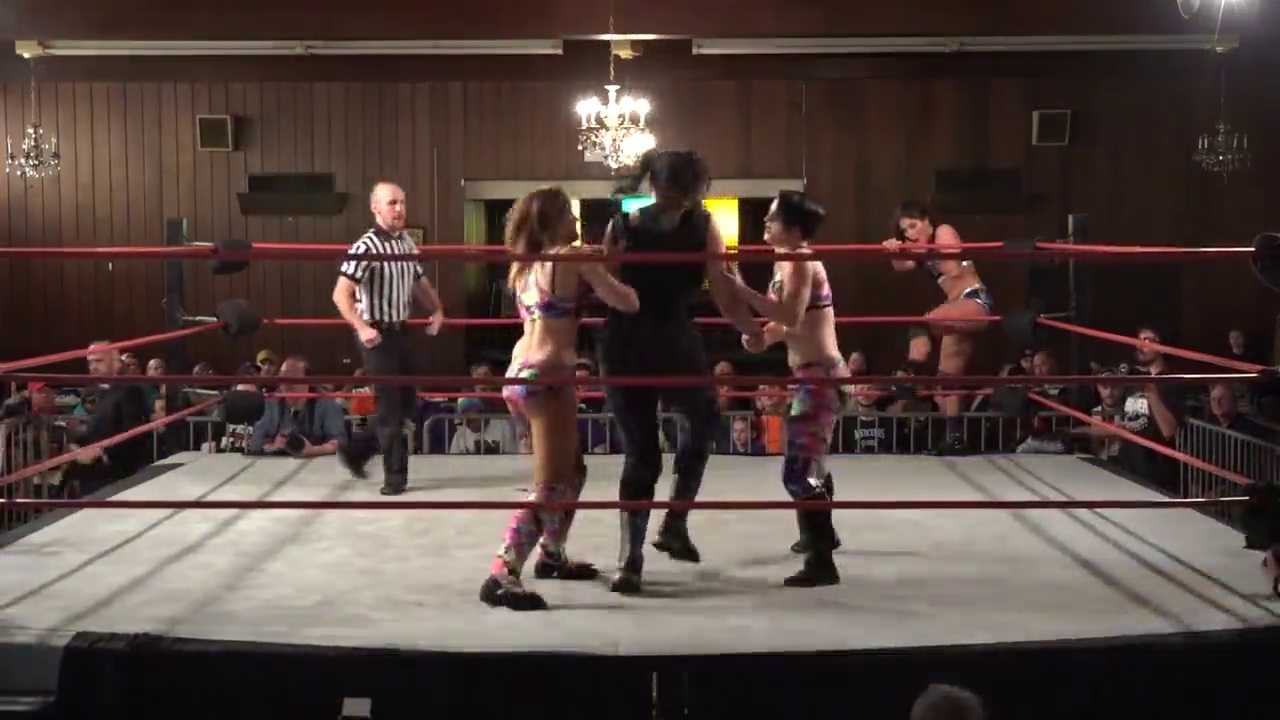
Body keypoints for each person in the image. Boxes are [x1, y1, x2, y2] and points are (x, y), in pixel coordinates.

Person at [598, 149, 761, 595]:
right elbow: (723, 291)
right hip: (663, 339)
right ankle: (666, 528)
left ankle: (635, 555)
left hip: (632, 340)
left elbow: (604, 284)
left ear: (654, 183)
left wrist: (750, 329)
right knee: (694, 425)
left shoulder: (623, 225)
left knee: (649, 447)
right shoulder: (700, 226)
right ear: (697, 187)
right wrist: (751, 331)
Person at [481, 186, 640, 611]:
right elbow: (626, 301)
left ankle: (551, 554)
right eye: (569, 213)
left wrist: (600, 261)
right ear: (553, 221)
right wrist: (615, 268)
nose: (576, 220)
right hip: (548, 378)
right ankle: (502, 572)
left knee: (574, 471)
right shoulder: (570, 258)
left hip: (521, 372)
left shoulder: (525, 267)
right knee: (550, 484)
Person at [730, 191, 845, 587]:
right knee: (812, 463)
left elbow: (790, 314)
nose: (765, 223)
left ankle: (822, 561)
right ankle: (821, 537)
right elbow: (787, 322)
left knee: (799, 469)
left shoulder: (799, 260)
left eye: (772, 218)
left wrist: (741, 290)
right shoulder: (786, 261)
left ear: (794, 229)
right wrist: (763, 338)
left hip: (819, 375)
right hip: (811, 374)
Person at [333, 181, 445, 496]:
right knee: (391, 407)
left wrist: (437, 309)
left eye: (402, 202)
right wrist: (361, 327)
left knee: (407, 404)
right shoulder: (366, 246)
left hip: (401, 330)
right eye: (392, 203)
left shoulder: (406, 242)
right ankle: (395, 478)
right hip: (376, 334)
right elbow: (341, 293)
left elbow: (419, 282)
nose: (399, 209)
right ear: (376, 208)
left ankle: (356, 450)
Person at [882, 201, 993, 456]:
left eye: (913, 226)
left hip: (974, 301)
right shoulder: (923, 246)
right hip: (957, 308)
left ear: (928, 222)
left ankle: (907, 374)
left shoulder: (943, 231)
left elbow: (952, 268)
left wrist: (917, 250)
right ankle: (954, 438)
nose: (909, 233)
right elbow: (903, 267)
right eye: (904, 230)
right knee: (947, 380)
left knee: (922, 325)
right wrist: (894, 251)